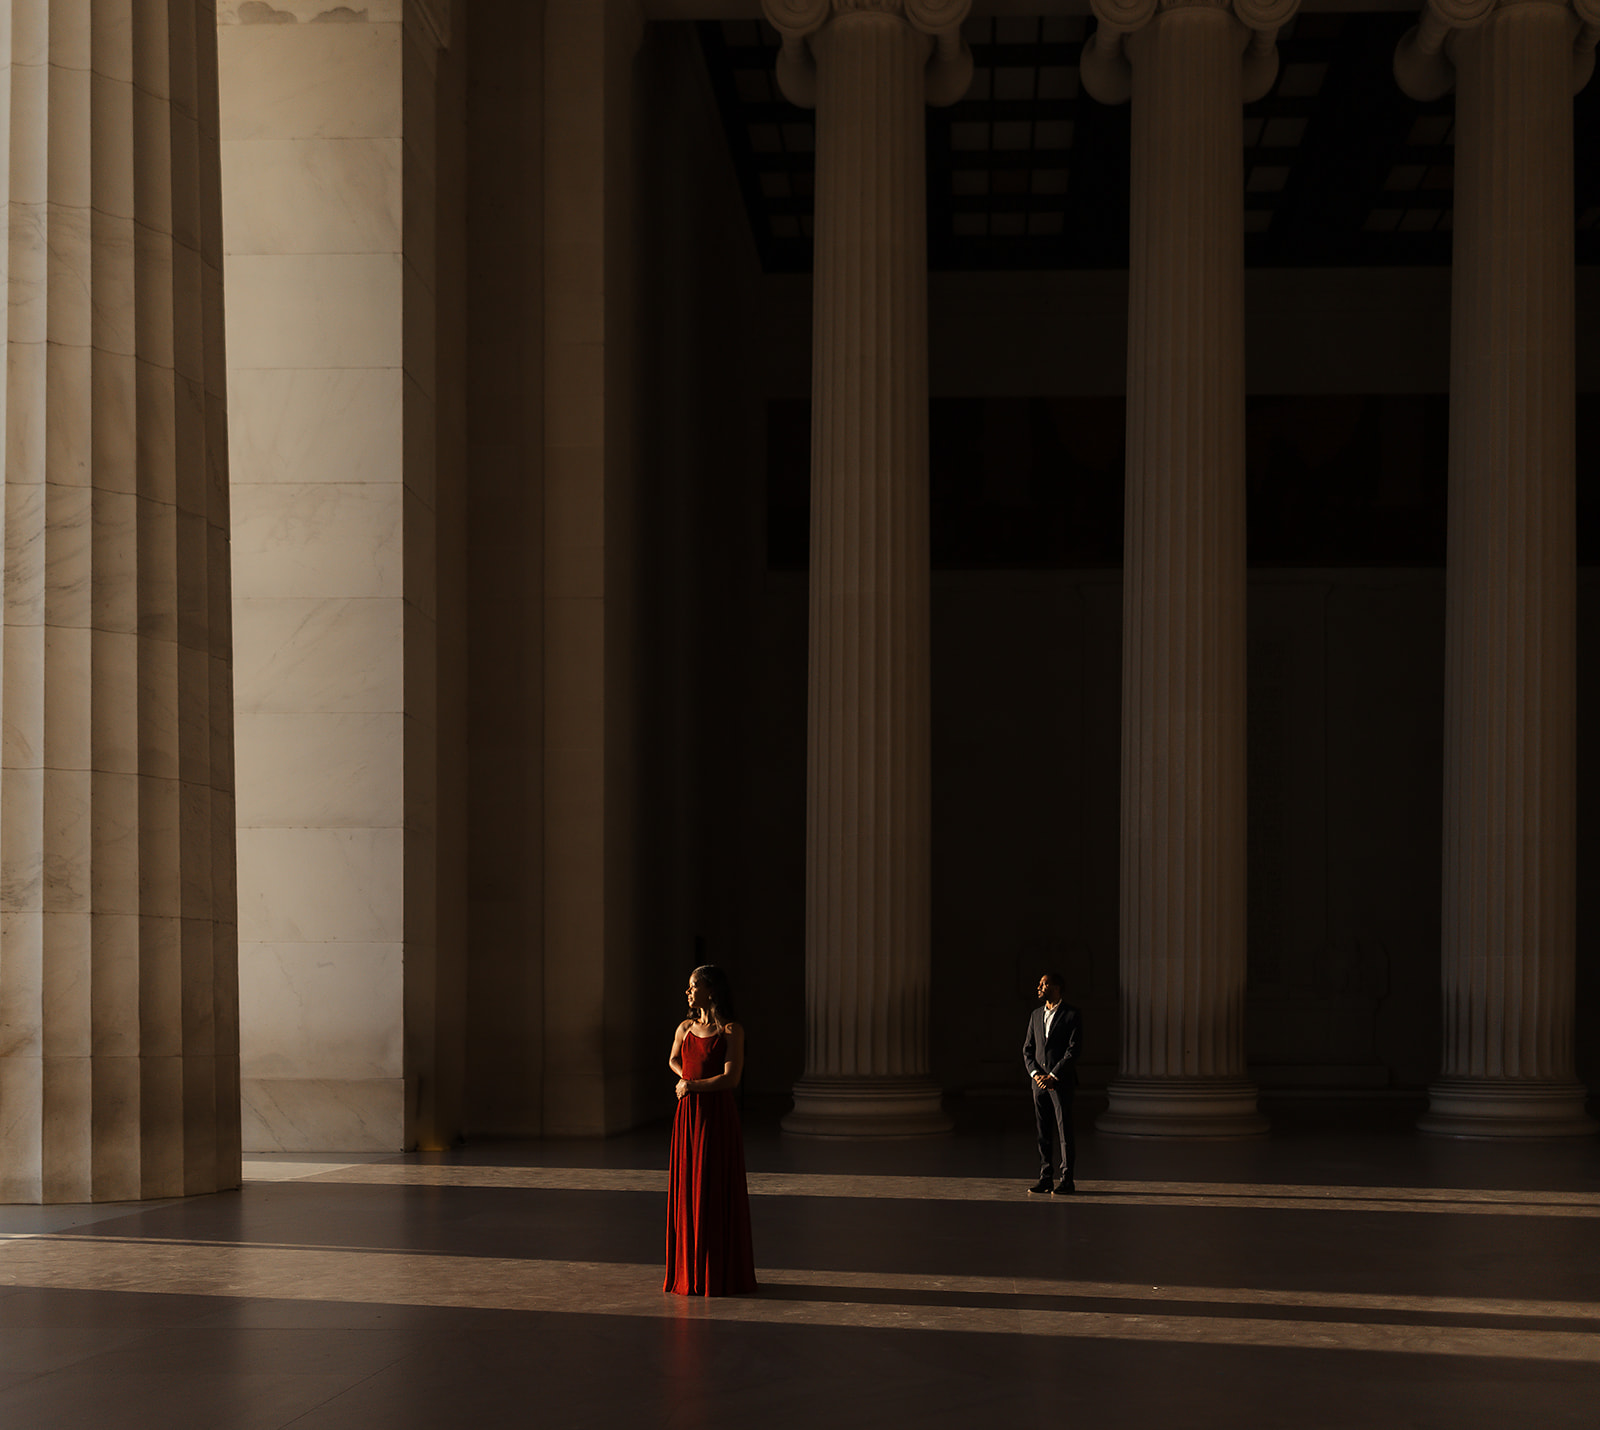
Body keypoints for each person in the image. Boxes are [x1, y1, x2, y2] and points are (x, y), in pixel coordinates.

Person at [664, 964, 758, 1295]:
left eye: (693, 986)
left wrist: (692, 1086)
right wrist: (684, 1078)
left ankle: (717, 1271)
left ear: (711, 990)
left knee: (713, 1187)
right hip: (688, 1115)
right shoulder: (686, 1026)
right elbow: (674, 1059)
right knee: (689, 1186)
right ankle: (689, 1271)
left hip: (716, 1116)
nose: (687, 992)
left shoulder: (732, 1031)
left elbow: (731, 1079)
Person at [1023, 971, 1080, 1195]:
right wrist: (1036, 1074)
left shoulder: (1072, 1014)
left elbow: (1073, 1050)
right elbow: (1027, 1050)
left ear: (1056, 987)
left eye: (1043, 984)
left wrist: (1054, 1075)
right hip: (1038, 1084)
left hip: (1061, 1082)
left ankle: (1067, 1180)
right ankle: (1045, 1178)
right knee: (1043, 1132)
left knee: (1064, 1131)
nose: (1039, 987)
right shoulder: (1035, 1015)